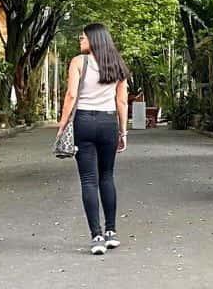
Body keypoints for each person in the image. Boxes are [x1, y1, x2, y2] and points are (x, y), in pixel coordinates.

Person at [57, 23, 130, 256]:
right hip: (109, 123)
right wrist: (123, 131)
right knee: (107, 177)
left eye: (83, 37)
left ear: (94, 39)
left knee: (89, 180)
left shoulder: (79, 62)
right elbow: (122, 102)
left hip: (84, 123)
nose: (80, 40)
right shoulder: (118, 65)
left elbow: (71, 95)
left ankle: (96, 236)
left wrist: (62, 126)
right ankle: (111, 232)